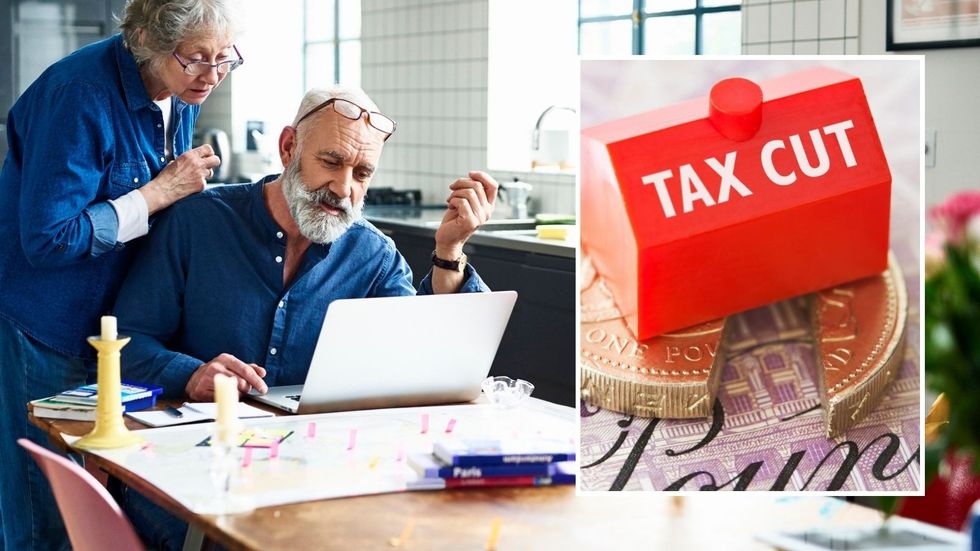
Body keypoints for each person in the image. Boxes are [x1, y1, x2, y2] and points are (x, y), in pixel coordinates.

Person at [112, 84, 497, 547]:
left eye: (362, 173)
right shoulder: (198, 222)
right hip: (195, 484)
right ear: (288, 147)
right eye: (332, 162)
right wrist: (192, 374)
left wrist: (449, 249)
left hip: (319, 482)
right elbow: (127, 342)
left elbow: (431, 365)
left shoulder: (373, 256)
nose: (344, 188)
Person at [0, 1, 242, 548]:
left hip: (119, 330)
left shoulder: (178, 91)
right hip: (48, 326)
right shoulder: (79, 95)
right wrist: (159, 192)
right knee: (48, 513)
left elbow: (165, 197)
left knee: (104, 500)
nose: (212, 75)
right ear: (148, 44)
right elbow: (49, 238)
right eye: (197, 59)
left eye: (225, 59)